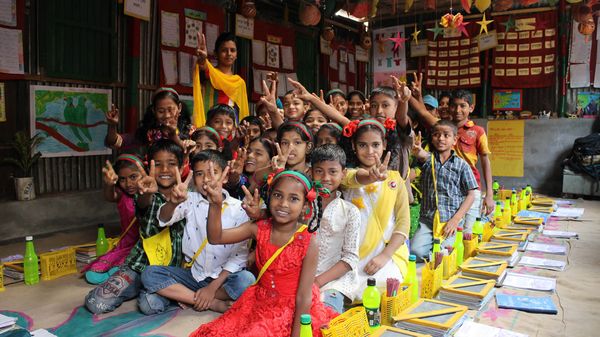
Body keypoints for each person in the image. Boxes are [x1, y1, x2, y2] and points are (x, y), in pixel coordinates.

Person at [189, 169, 337, 337]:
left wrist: (298, 334)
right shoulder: (258, 228)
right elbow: (216, 237)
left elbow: (303, 296)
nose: (283, 204)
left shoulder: (309, 242)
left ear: (305, 206)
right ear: (269, 197)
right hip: (259, 301)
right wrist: (215, 205)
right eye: (278, 195)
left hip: (291, 308)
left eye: (293, 199)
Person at [140, 150, 255, 315]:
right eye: (200, 174)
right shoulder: (190, 199)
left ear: (226, 176)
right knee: (149, 275)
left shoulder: (239, 208)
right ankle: (212, 302)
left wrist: (211, 288)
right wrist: (172, 203)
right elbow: (163, 219)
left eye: (213, 172)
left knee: (247, 280)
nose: (207, 179)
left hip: (222, 280)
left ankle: (187, 297)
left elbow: (239, 256)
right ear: (194, 179)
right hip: (193, 276)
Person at [85, 140, 186, 314]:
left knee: (149, 306)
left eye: (171, 164)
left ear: (182, 166)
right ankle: (137, 285)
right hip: (139, 265)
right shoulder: (142, 195)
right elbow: (143, 203)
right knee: (95, 302)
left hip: (168, 271)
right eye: (158, 164)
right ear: (149, 167)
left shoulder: (189, 197)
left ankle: (150, 289)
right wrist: (147, 194)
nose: (164, 170)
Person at [340, 119, 411, 301]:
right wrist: (371, 176)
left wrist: (385, 256)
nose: (370, 151)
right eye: (363, 145)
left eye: (376, 145)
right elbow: (357, 178)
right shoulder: (345, 175)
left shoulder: (395, 179)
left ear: (385, 145)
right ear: (354, 147)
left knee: (385, 287)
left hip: (387, 253)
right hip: (352, 255)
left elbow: (403, 223)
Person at [409, 120, 478, 260]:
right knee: (415, 252)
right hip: (427, 220)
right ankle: (435, 253)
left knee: (446, 254)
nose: (441, 138)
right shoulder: (429, 160)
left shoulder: (462, 165)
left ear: (454, 140)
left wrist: (456, 219)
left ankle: (440, 253)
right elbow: (422, 154)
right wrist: (417, 151)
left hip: (450, 221)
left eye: (446, 135)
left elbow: (472, 194)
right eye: (436, 134)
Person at [310, 145, 360, 313]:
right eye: (319, 171)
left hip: (334, 281)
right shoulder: (302, 206)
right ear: (311, 172)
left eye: (332, 172)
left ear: (343, 174)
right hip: (301, 277)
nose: (325, 177)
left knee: (326, 313)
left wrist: (317, 283)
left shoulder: (350, 211)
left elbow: (350, 259)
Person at [82, 154, 143, 284]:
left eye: (133, 177)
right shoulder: (122, 195)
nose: (128, 184)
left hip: (144, 247)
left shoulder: (151, 194)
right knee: (92, 275)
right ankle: (122, 275)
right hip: (125, 246)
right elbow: (109, 196)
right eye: (122, 179)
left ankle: (125, 275)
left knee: (119, 270)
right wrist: (109, 184)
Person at [449, 90, 495, 232]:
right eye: (454, 106)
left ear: (471, 108)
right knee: (451, 232)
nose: (458, 110)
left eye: (462, 106)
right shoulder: (445, 129)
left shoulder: (478, 131)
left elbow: (485, 162)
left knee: (469, 232)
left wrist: (489, 194)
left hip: (471, 188)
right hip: (449, 188)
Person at [105, 88, 194, 153]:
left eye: (170, 110)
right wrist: (112, 125)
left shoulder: (190, 131)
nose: (167, 115)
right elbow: (116, 142)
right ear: (154, 111)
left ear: (179, 108)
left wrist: (174, 136)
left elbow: (197, 156)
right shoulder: (150, 133)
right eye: (161, 111)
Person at [194, 32, 249, 126]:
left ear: (236, 55)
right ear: (216, 53)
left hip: (230, 132)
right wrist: (203, 59)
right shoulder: (210, 74)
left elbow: (242, 113)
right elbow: (203, 67)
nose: (229, 54)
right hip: (209, 129)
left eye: (232, 50)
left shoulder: (239, 83)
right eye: (224, 50)